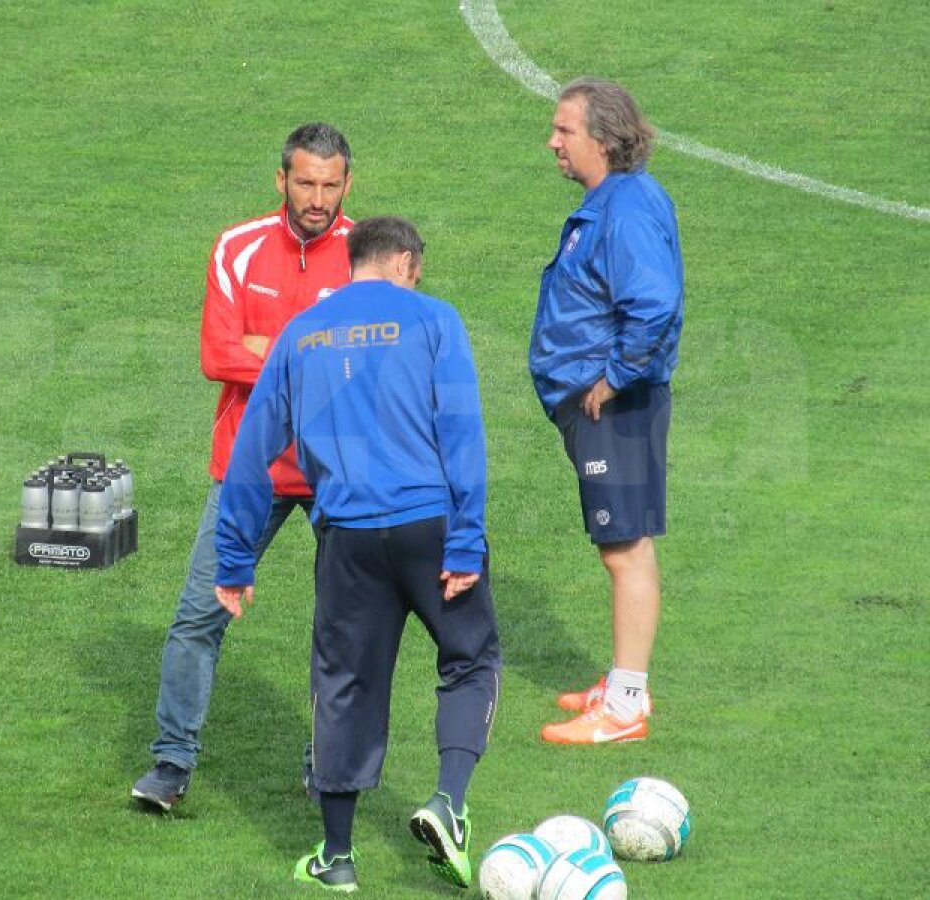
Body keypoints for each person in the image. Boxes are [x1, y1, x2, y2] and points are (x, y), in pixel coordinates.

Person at [215, 217, 501, 892]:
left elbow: (252, 452)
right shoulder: (435, 320)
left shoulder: (301, 334)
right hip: (430, 528)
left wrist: (234, 559)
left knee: (344, 685)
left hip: (346, 537)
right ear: (402, 262)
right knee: (471, 660)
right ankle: (448, 803)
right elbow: (462, 433)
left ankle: (337, 858)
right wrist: (466, 540)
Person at [131, 123, 354, 811]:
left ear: (347, 183)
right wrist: (315, 353)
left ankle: (327, 765)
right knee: (198, 615)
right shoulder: (237, 246)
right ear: (281, 179)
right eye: (305, 182)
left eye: (330, 185)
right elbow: (217, 355)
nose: (317, 198)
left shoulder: (368, 253)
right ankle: (171, 763)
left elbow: (369, 367)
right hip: (249, 468)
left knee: (343, 627)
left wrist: (268, 346)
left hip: (339, 474)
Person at [530, 78, 683, 745]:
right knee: (623, 545)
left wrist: (614, 377)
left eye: (565, 130)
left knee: (624, 547)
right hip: (607, 405)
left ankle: (623, 708)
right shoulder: (617, 200)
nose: (553, 142)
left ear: (603, 138)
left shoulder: (625, 208)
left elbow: (655, 304)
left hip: (614, 408)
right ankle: (626, 684)